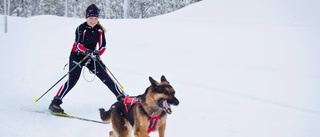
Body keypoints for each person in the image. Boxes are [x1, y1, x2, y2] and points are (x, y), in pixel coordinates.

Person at [49, 4, 127, 113]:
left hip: (92, 58)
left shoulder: (100, 30)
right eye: (91, 18)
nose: (93, 21)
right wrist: (87, 51)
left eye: (95, 18)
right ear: (86, 17)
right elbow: (78, 44)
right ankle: (55, 102)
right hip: (77, 56)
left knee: (106, 77)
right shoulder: (81, 28)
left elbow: (103, 46)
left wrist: (97, 52)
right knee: (72, 80)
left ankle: (123, 99)